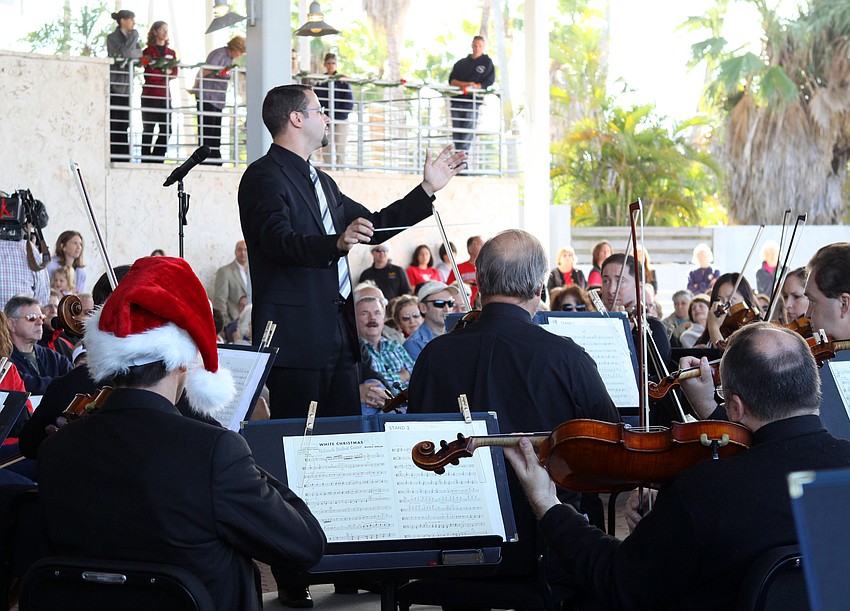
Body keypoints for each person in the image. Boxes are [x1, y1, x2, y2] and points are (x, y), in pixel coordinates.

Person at [37, 256, 326, 611]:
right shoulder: (215, 452)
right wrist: (236, 457)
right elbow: (305, 543)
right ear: (179, 364)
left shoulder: (57, 449)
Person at [504, 322, 850, 611]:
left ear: (736, 406)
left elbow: (619, 583)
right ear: (815, 388)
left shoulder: (706, 490)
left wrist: (547, 505)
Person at [237, 84, 466, 421]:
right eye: (320, 110)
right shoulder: (263, 177)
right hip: (298, 340)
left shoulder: (323, 182)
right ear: (296, 118)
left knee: (343, 442)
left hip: (340, 337)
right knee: (303, 444)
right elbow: (277, 241)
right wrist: (336, 244)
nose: (328, 117)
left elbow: (373, 226)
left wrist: (427, 190)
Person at [408, 229, 619, 585]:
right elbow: (609, 443)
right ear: (539, 287)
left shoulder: (434, 355)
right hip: (548, 543)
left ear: (480, 284)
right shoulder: (565, 357)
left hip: (454, 547)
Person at [355, 286, 414, 414]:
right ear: (354, 319)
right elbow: (372, 387)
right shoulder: (354, 351)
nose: (372, 319)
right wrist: (402, 375)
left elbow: (417, 377)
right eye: (364, 313)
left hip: (413, 408)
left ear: (384, 317)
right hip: (384, 415)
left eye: (377, 313)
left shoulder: (395, 346)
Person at [4, 295, 72, 394]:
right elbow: (22, 383)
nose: (40, 322)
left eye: (41, 317)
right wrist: (60, 384)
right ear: (11, 324)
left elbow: (73, 380)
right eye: (32, 318)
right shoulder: (4, 358)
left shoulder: (54, 357)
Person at [194, 36, 246, 164]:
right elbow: (205, 71)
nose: (239, 55)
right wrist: (195, 86)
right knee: (208, 129)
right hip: (207, 96)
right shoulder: (219, 54)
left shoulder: (229, 59)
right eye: (240, 51)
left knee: (216, 129)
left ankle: (215, 157)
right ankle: (206, 158)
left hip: (218, 99)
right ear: (235, 48)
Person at [448, 35, 496, 153]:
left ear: (483, 47)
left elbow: (488, 82)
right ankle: (458, 157)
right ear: (471, 46)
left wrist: (475, 86)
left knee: (468, 131)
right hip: (457, 100)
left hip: (472, 102)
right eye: (475, 45)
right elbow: (452, 81)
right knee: (457, 131)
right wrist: (466, 84)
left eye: (480, 46)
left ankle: (462, 157)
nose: (477, 48)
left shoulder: (487, 63)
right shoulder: (461, 63)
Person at [106, 9, 142, 161]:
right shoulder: (112, 38)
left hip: (127, 86)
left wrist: (130, 51)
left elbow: (140, 55)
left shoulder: (133, 38)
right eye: (131, 19)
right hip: (115, 84)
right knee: (115, 121)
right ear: (123, 21)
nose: (133, 23)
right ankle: (115, 155)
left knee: (125, 122)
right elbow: (125, 54)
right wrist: (133, 37)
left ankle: (124, 155)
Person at [140, 21, 178, 162]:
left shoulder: (171, 53)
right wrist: (164, 71)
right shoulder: (147, 51)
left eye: (166, 30)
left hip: (164, 96)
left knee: (167, 129)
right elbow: (150, 73)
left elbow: (174, 72)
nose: (165, 32)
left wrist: (161, 70)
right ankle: (145, 158)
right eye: (162, 29)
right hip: (149, 95)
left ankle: (156, 158)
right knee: (148, 129)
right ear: (155, 31)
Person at [695, 272, 758, 348]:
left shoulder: (753, 331)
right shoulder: (715, 329)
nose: (724, 304)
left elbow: (730, 357)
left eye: (732, 299)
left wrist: (714, 328)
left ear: (746, 298)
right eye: (719, 299)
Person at [403, 280, 459, 361]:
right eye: (439, 303)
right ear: (423, 308)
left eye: (451, 303)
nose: (447, 309)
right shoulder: (413, 344)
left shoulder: (458, 334)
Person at [314, 53, 354, 166]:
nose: (331, 65)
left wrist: (337, 116)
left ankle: (341, 169)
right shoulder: (321, 82)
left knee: (341, 146)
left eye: (333, 63)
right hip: (326, 121)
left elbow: (349, 104)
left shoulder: (343, 82)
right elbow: (317, 101)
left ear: (336, 64)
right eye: (329, 63)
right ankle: (328, 169)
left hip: (340, 120)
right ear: (324, 64)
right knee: (326, 146)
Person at [213, 240, 249, 326]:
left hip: (250, 323)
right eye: (240, 250)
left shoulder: (254, 271)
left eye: (245, 250)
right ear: (235, 252)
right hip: (233, 322)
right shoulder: (225, 272)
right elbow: (220, 300)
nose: (243, 253)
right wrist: (226, 324)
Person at [447, 235, 484, 305]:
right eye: (480, 244)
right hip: (464, 306)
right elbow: (448, 288)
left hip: (484, 306)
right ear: (469, 248)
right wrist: (462, 285)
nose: (483, 247)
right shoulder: (458, 268)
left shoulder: (488, 267)